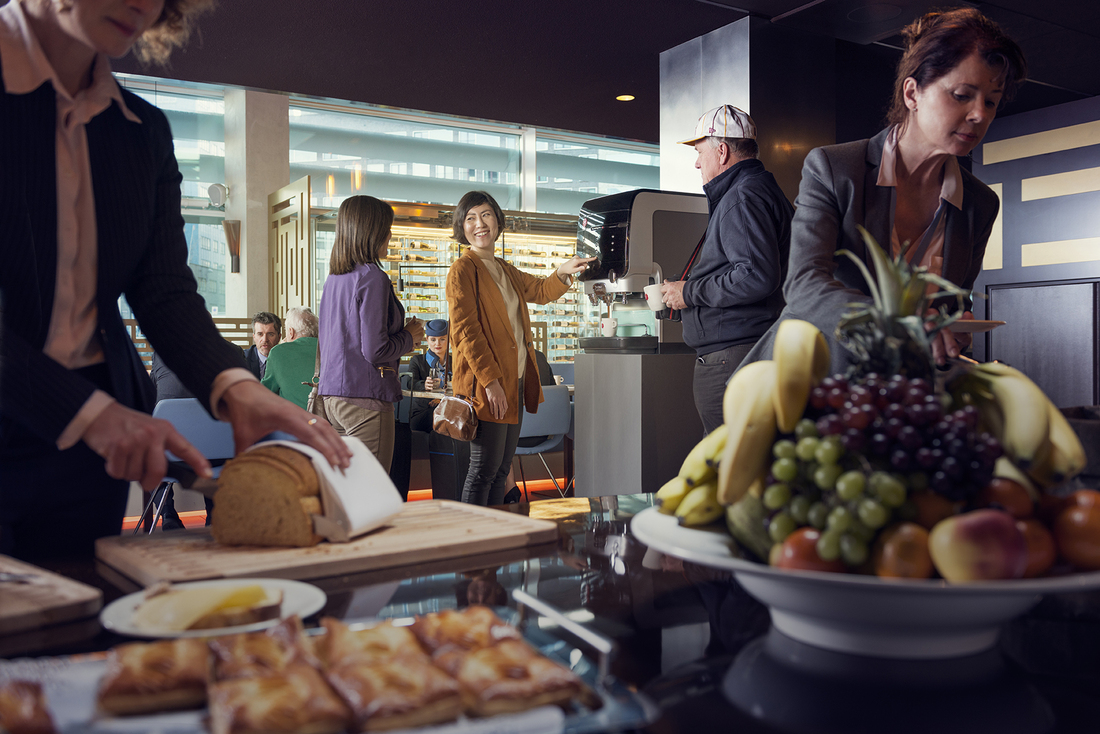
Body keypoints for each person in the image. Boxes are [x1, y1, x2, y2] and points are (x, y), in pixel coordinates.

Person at [0, 0, 351, 562]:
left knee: (81, 634)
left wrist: (239, 390)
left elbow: (162, 288)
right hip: (85, 420)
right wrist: (89, 414)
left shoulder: (140, 131)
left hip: (94, 449)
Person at [741, 8, 1026, 375]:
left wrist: (952, 328)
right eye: (961, 95)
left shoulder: (980, 203)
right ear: (912, 92)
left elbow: (952, 301)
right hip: (810, 379)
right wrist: (895, 323)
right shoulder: (836, 168)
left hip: (903, 389)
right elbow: (804, 284)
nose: (979, 115)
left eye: (991, 101)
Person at [446, 190, 594, 506]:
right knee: (482, 470)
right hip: (488, 385)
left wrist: (564, 271)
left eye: (485, 215)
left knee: (501, 469)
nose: (479, 224)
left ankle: (499, 541)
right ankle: (476, 546)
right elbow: (467, 333)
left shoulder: (504, 269)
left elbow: (540, 289)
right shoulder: (463, 269)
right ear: (462, 227)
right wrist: (491, 382)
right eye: (470, 218)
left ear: (497, 221)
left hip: (512, 382)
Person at [660, 104, 793, 434]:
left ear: (721, 151)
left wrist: (688, 292)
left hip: (731, 358)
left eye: (699, 152)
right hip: (749, 350)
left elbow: (755, 275)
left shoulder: (742, 196)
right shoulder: (759, 190)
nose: (696, 162)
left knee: (730, 463)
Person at [318, 195, 424, 471]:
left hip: (332, 399)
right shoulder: (373, 278)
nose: (390, 235)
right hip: (366, 398)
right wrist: (410, 336)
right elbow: (375, 350)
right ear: (371, 231)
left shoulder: (334, 279)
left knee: (349, 491)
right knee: (372, 494)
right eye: (386, 227)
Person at [261, 306, 318, 410]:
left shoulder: (278, 352)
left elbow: (265, 393)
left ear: (291, 332)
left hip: (296, 422)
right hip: (333, 422)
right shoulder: (333, 350)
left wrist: (281, 348)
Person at [407, 319, 450, 433]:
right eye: (433, 339)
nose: (437, 344)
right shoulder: (417, 360)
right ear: (427, 339)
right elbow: (409, 382)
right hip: (423, 412)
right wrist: (424, 385)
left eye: (442, 339)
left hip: (449, 408)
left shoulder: (455, 362)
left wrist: (443, 400)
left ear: (449, 339)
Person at [243, 311, 281, 380]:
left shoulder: (286, 359)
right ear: (254, 337)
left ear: (279, 337)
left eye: (270, 334)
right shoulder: (243, 359)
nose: (265, 339)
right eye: (260, 334)